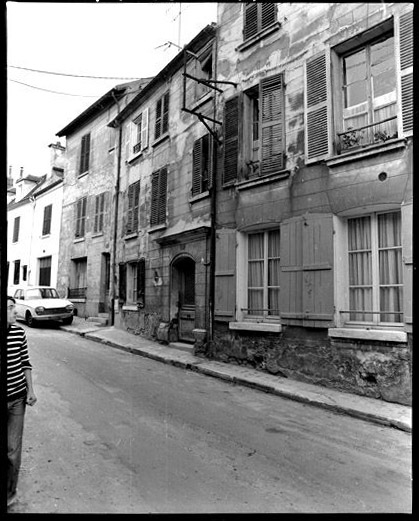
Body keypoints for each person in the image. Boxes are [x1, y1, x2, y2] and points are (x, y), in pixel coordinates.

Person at [6, 296, 37, 507]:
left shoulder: (19, 332)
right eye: (10, 308)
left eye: (14, 307)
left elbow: (25, 361)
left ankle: (9, 493)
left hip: (17, 398)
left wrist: (31, 390)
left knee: (13, 449)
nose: (15, 312)